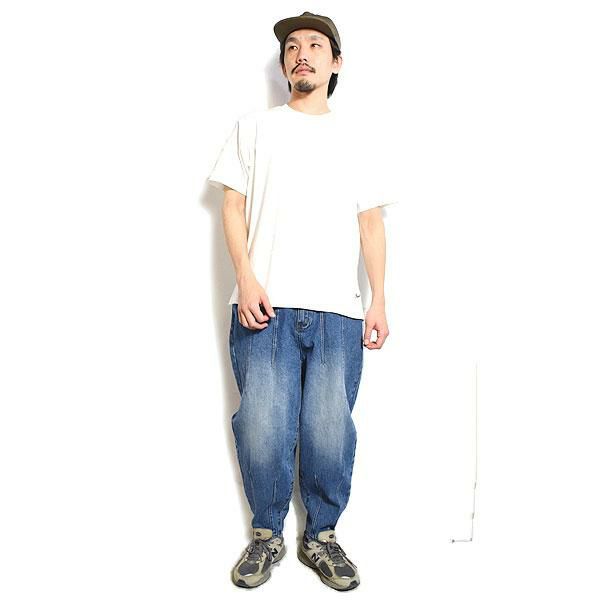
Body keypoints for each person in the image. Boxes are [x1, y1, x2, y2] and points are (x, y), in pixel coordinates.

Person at [206, 11, 397, 592]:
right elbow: (232, 207)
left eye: (316, 45)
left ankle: (322, 537)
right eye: (292, 47)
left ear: (335, 62)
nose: (302, 53)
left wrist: (379, 301)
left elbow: (370, 223)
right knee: (262, 427)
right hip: (264, 306)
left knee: (329, 432)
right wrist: (247, 278)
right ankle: (267, 535)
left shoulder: (358, 137)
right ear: (284, 63)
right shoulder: (253, 128)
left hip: (338, 311)